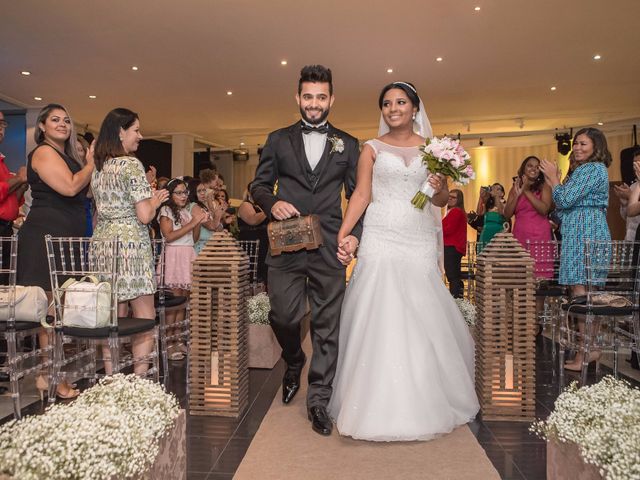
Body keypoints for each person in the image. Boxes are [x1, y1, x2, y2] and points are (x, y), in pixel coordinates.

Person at [327, 81, 479, 441]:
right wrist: (344, 232)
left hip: (418, 234)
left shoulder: (433, 149)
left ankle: (426, 394)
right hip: (381, 233)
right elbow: (362, 194)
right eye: (386, 103)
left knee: (419, 309)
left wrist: (441, 183)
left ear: (414, 108)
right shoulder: (371, 148)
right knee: (379, 308)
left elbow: (440, 201)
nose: (393, 108)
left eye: (400, 102)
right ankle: (373, 399)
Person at [251, 65, 362, 436]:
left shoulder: (348, 143)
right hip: (286, 243)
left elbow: (359, 198)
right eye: (308, 96)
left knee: (327, 326)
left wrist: (353, 236)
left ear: (331, 99)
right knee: (282, 315)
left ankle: (318, 399)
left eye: (321, 96)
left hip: (330, 247)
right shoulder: (278, 139)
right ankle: (294, 359)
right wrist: (272, 203)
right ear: (297, 98)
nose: (314, 104)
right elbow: (259, 184)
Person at [17, 104, 94, 398]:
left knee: (58, 309)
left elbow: (84, 191)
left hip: (65, 236)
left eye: (66, 120)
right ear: (42, 127)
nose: (62, 124)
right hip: (45, 236)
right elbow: (70, 187)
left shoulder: (65, 155)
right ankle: (50, 375)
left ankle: (48, 374)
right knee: (51, 309)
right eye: (55, 120)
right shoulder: (44, 152)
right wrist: (90, 162)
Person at [92, 108, 169, 375]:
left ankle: (112, 375)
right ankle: (138, 380)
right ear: (120, 132)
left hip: (103, 243)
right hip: (130, 246)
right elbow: (145, 215)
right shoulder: (131, 164)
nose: (140, 135)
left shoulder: (98, 169)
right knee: (144, 314)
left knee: (111, 314)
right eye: (136, 130)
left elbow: (98, 211)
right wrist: (156, 200)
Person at [540, 127, 612, 371]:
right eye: (576, 144)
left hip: (586, 232)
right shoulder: (585, 171)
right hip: (578, 232)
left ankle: (588, 351)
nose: (578, 148)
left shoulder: (593, 169)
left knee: (583, 295)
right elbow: (563, 207)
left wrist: (554, 179)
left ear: (596, 146)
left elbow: (565, 199)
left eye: (583, 144)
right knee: (582, 294)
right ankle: (588, 350)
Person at [158, 178, 208, 360]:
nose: (183, 196)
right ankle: (169, 343)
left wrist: (199, 222)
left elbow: (193, 239)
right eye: (179, 192)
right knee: (173, 304)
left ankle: (179, 339)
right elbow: (169, 236)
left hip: (188, 255)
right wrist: (193, 223)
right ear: (170, 194)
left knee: (184, 303)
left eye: (185, 192)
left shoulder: (186, 212)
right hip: (174, 256)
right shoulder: (166, 211)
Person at [504, 156, 552, 278]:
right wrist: (518, 193)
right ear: (523, 169)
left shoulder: (545, 186)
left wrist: (526, 191)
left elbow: (544, 209)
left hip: (540, 236)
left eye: (537, 167)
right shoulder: (515, 187)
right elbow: (507, 214)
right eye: (530, 166)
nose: (534, 169)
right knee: (520, 277)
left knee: (540, 278)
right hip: (520, 235)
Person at [238, 185, 269, 286]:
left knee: (264, 272)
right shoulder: (245, 204)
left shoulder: (260, 206)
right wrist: (268, 209)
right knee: (253, 273)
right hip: (252, 244)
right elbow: (252, 219)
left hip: (264, 243)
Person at [442, 188, 467, 298]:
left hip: (452, 246)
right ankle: (457, 298)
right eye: (449, 196)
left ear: (459, 200)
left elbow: (448, 229)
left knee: (452, 276)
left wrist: (435, 227)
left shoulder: (456, 211)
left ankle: (456, 298)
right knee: (454, 275)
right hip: (453, 247)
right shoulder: (452, 211)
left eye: (454, 197)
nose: (450, 199)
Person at [188, 178, 223, 254]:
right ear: (192, 192)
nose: (203, 193)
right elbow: (212, 226)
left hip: (207, 246)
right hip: (200, 247)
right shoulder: (194, 206)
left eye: (204, 190)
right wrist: (218, 215)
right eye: (199, 191)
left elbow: (217, 228)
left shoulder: (201, 205)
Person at [613, 149, 640, 241]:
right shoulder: (633, 185)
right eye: (634, 163)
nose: (635, 167)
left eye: (639, 163)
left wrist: (630, 196)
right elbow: (628, 215)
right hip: (630, 238)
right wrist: (624, 203)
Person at [477, 183, 506, 252]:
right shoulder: (488, 204)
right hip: (486, 233)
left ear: (502, 193)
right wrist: (481, 197)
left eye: (498, 189)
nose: (495, 191)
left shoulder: (504, 203)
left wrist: (496, 196)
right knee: (484, 255)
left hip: (498, 234)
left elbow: (501, 213)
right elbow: (479, 213)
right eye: (493, 189)